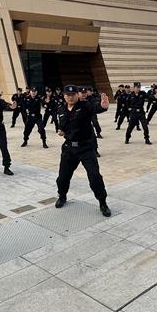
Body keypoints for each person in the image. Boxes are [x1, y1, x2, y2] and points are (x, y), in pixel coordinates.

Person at [55, 85, 111, 216]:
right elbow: (63, 125)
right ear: (64, 96)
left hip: (85, 148)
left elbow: (96, 108)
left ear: (77, 95)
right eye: (68, 95)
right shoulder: (61, 109)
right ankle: (62, 196)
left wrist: (103, 106)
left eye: (73, 95)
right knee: (63, 177)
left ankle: (102, 202)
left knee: (95, 176)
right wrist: (61, 130)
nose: (70, 97)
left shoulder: (85, 106)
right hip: (69, 148)